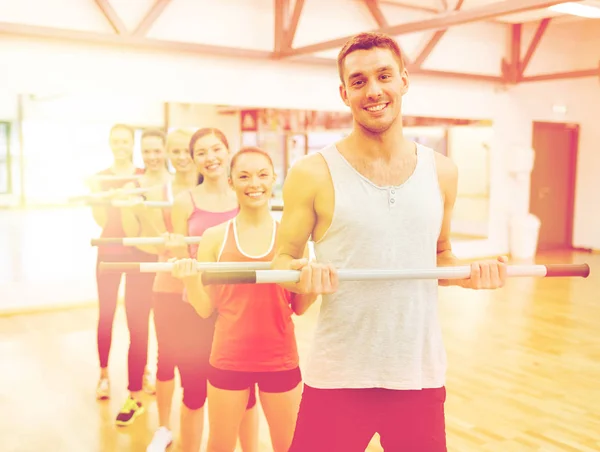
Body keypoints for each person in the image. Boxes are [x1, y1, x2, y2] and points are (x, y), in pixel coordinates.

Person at [271, 32, 508, 451]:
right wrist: (301, 275)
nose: (374, 90)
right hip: (339, 376)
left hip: (417, 375)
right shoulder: (312, 172)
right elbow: (281, 262)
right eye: (359, 81)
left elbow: (440, 257)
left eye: (384, 75)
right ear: (344, 93)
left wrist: (471, 273)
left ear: (403, 80)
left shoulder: (443, 172)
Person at [171, 147, 315, 452]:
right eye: (244, 176)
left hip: (280, 358)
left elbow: (299, 306)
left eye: (263, 175)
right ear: (231, 182)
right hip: (229, 357)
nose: (255, 183)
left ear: (274, 179)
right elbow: (204, 307)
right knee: (220, 445)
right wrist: (189, 279)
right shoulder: (214, 237)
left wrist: (314, 283)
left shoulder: (292, 238)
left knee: (289, 446)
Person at [148, 128, 259, 452]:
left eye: (215, 150)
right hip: (196, 306)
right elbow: (181, 256)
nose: (210, 158)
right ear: (193, 160)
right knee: (194, 391)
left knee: (245, 393)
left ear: (228, 150)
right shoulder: (184, 202)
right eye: (201, 153)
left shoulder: (244, 192)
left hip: (239, 309)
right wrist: (174, 250)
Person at [111, 128, 173, 426]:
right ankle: (133, 395)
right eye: (146, 151)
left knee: (168, 335)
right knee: (137, 331)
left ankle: (172, 395)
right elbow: (134, 236)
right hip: (142, 262)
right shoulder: (133, 187)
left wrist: (163, 244)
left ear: (165, 150)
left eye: (156, 150)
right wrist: (130, 207)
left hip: (172, 267)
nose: (151, 156)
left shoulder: (178, 186)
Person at [89, 124, 146, 402]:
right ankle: (103, 375)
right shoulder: (100, 178)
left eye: (125, 141)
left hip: (139, 252)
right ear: (110, 143)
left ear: (132, 143)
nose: (120, 145)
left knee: (138, 319)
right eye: (116, 141)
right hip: (109, 251)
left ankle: (141, 371)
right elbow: (101, 220)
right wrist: (101, 196)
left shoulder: (144, 177)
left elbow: (150, 218)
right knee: (106, 315)